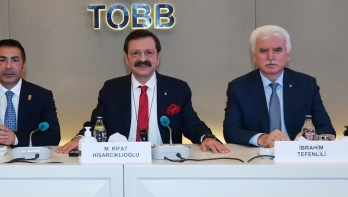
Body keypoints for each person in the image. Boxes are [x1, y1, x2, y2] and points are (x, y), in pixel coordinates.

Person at [56, 29, 229, 154]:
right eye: (136, 53)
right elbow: (97, 124)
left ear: (158, 56)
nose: (142, 59)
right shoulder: (112, 89)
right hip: (123, 161)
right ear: (126, 58)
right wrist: (81, 138)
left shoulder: (177, 88)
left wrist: (206, 137)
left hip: (164, 161)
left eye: (149, 53)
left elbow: (192, 124)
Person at [223, 25, 334, 147]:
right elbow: (230, 131)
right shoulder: (239, 87)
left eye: (277, 50)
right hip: (257, 155)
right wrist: (261, 138)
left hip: (296, 154)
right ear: (254, 56)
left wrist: (307, 136)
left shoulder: (306, 85)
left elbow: (327, 129)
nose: (270, 57)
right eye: (263, 51)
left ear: (287, 55)